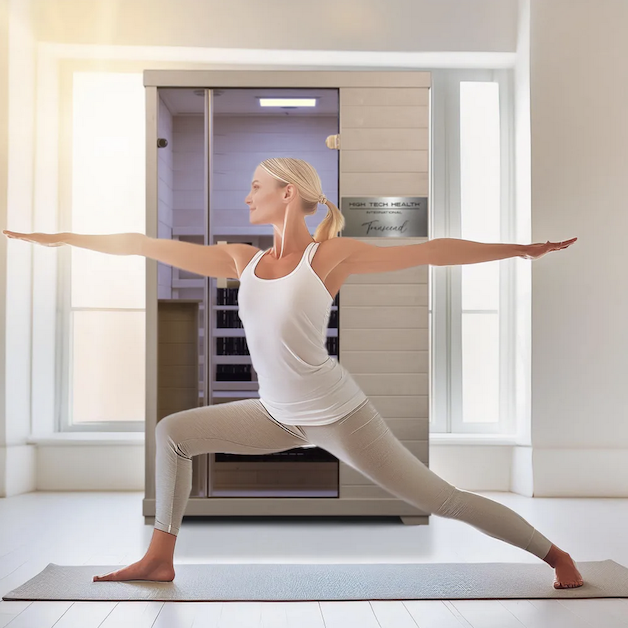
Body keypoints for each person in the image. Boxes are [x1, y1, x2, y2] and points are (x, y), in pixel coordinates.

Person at [3, 157, 583, 589]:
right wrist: (57, 238)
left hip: (338, 416)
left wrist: (516, 249)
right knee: (172, 433)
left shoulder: (327, 258)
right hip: (275, 415)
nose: (247, 195)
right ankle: (160, 557)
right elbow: (142, 244)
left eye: (256, 186)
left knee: (443, 500)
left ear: (286, 193)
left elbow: (430, 250)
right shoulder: (242, 260)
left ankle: (557, 557)